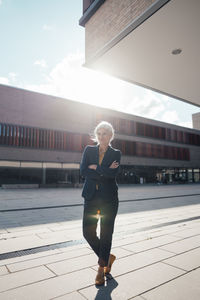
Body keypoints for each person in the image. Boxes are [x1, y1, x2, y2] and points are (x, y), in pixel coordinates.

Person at [80, 121, 121, 286]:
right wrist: (104, 170)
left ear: (111, 136)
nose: (102, 136)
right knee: (88, 232)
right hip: (91, 197)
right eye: (99, 133)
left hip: (109, 199)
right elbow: (83, 171)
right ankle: (107, 257)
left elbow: (113, 174)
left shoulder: (116, 153)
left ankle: (101, 269)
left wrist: (95, 167)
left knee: (106, 233)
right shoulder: (88, 150)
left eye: (105, 133)